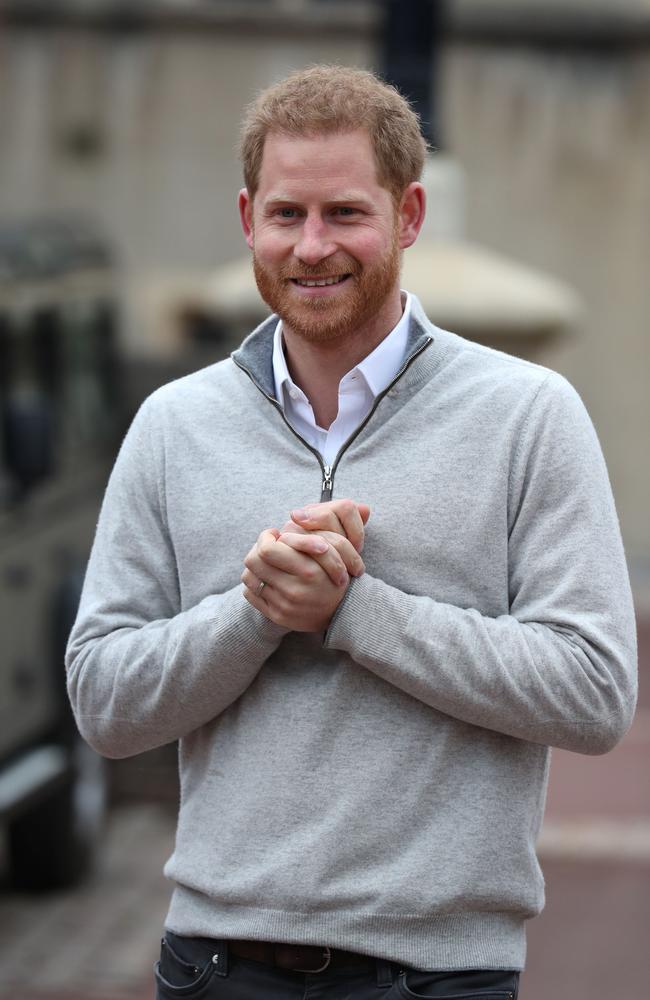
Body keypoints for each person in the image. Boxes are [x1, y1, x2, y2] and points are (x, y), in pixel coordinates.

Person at [66, 66, 637, 1000]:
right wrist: (253, 614)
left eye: (345, 213)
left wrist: (355, 613)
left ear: (409, 215)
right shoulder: (173, 425)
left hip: (441, 973)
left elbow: (595, 691)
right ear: (247, 215)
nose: (313, 246)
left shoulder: (529, 415)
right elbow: (102, 702)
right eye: (287, 214)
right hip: (215, 963)